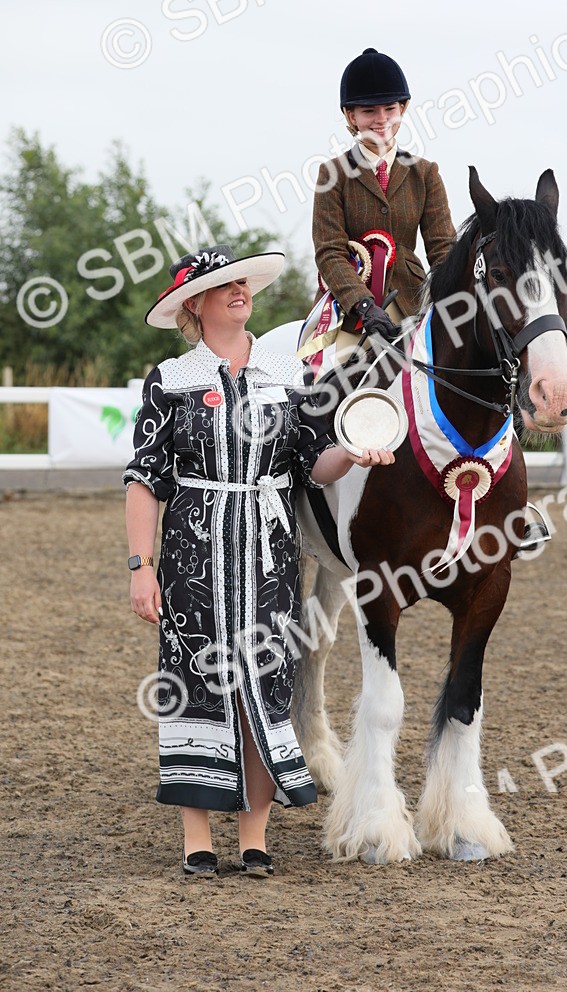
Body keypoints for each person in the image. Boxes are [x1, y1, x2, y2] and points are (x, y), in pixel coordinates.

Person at [124, 245, 393, 879]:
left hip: (271, 555)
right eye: (224, 286)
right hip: (193, 554)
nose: (239, 291)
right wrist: (141, 565)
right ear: (196, 304)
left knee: (264, 685)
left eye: (242, 282)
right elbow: (143, 480)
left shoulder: (287, 374)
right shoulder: (169, 381)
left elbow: (312, 465)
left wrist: (352, 452)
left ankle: (254, 837)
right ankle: (196, 840)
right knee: (194, 686)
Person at [308, 48, 456, 354]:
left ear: (403, 108)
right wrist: (363, 304)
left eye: (390, 109)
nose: (381, 120)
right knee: (336, 377)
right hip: (352, 313)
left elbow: (443, 249)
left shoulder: (425, 173)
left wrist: (449, 300)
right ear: (351, 115)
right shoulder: (332, 174)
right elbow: (329, 251)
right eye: (369, 112)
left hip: (414, 300)